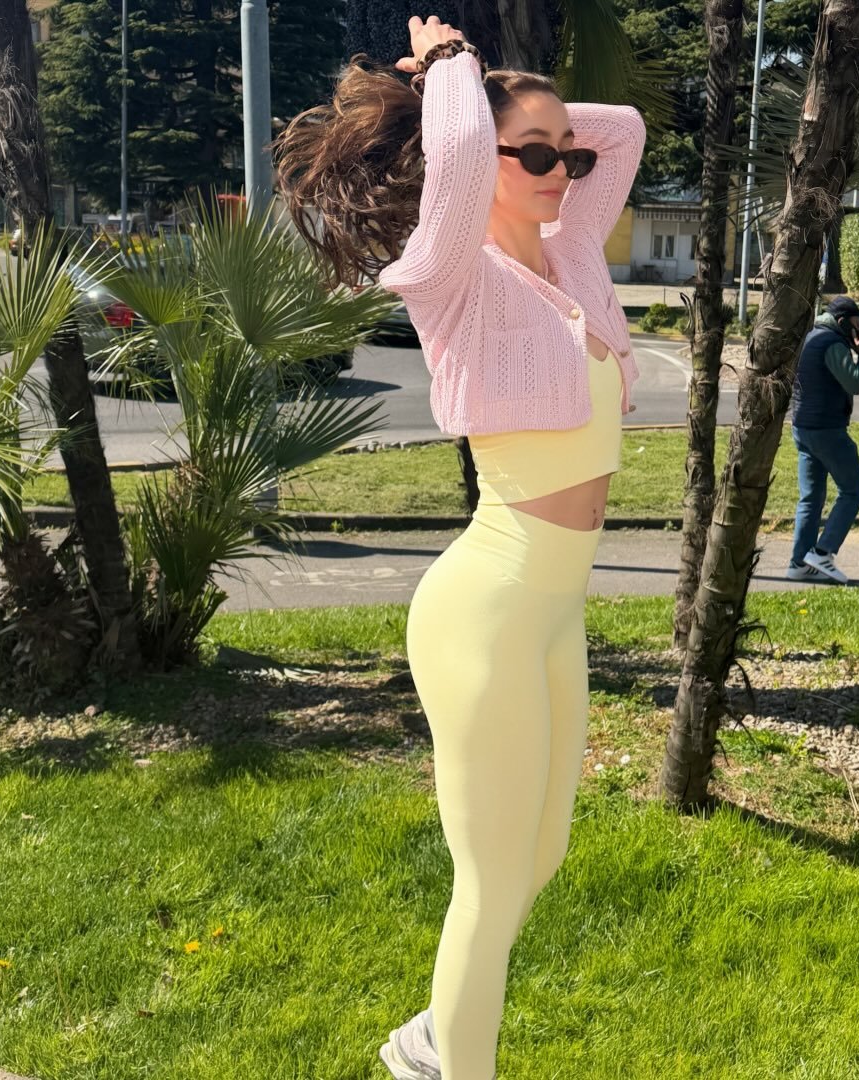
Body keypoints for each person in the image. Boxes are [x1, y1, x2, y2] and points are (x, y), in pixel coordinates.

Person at [274, 14, 645, 1080]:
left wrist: (538, 118)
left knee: (542, 855)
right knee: (487, 884)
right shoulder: (450, 273)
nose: (562, 170)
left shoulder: (571, 254)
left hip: (554, 611)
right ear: (477, 164)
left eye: (565, 156)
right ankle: (449, 1065)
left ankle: (433, 1036)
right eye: (536, 156)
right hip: (486, 604)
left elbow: (621, 132)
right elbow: (467, 155)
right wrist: (451, 67)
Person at [786, 295, 859, 586]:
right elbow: (855, 382)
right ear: (842, 322)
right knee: (853, 490)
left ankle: (799, 564)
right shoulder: (833, 343)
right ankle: (822, 553)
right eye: (857, 325)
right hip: (827, 429)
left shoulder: (811, 337)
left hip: (802, 427)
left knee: (811, 498)